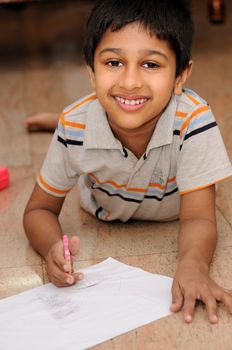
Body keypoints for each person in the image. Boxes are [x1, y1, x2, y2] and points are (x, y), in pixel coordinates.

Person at [23, 0, 232, 324]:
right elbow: (38, 210)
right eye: (114, 62)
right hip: (103, 206)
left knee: (112, 108)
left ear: (181, 75)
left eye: (151, 64)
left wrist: (193, 263)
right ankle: (64, 119)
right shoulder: (75, 127)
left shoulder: (195, 120)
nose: (130, 81)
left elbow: (199, 219)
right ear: (91, 71)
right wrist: (51, 246)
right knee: (80, 119)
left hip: (172, 209)